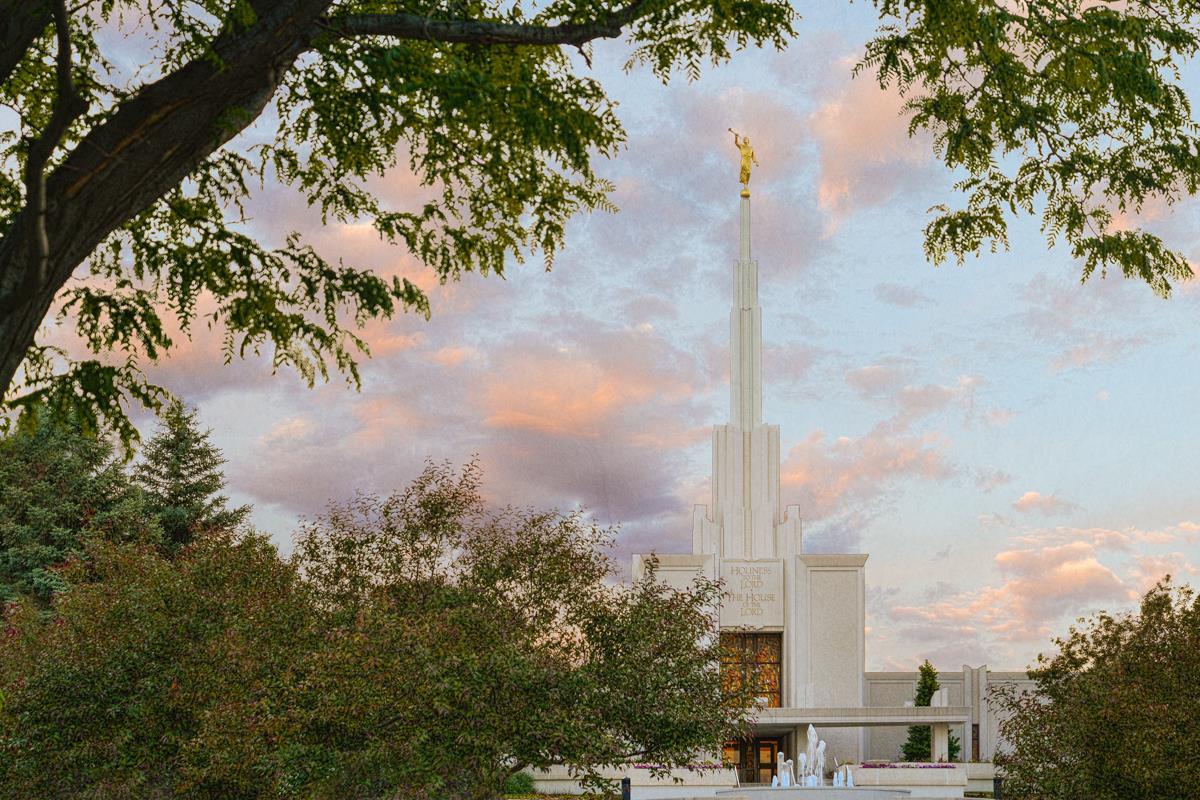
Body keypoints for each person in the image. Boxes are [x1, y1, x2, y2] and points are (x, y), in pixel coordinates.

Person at [728, 128, 759, 192]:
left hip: (748, 161)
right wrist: (736, 137)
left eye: (746, 139)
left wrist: (756, 162)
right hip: (744, 160)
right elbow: (736, 143)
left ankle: (746, 183)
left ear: (748, 141)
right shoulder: (742, 146)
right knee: (744, 171)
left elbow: (753, 156)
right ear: (743, 141)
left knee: (748, 172)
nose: (745, 139)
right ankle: (745, 184)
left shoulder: (751, 148)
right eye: (744, 139)